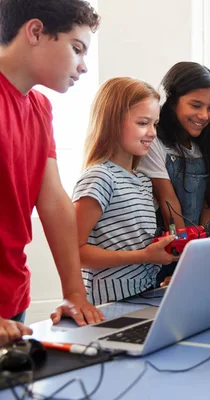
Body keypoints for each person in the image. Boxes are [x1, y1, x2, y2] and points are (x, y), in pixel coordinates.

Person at [0, 0, 104, 346]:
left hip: (12, 298)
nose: (84, 66)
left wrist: (74, 292)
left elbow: (54, 201)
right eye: (77, 49)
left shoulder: (40, 108)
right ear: (35, 32)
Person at [72, 77, 178, 305]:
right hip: (105, 307)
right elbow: (73, 252)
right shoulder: (99, 177)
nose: (152, 133)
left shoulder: (141, 180)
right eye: (142, 123)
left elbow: (134, 242)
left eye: (155, 124)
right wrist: (144, 256)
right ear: (112, 122)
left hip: (141, 298)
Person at [137, 62, 210, 286]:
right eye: (195, 105)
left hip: (195, 254)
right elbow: (170, 206)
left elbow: (209, 205)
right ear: (172, 100)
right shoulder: (154, 142)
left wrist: (202, 259)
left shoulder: (208, 147)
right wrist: (188, 264)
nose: (204, 115)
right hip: (165, 254)